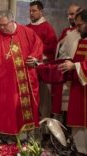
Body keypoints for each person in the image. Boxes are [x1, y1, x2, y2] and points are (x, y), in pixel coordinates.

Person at [58, 9, 87, 155]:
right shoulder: (82, 40)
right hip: (79, 88)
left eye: (80, 25)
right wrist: (71, 65)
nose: (78, 28)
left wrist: (74, 66)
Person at [26, 1, 57, 119]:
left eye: (34, 11)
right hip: (28, 70)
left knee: (43, 101)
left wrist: (36, 58)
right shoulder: (27, 28)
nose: (31, 13)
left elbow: (51, 49)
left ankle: (43, 131)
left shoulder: (47, 28)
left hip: (42, 69)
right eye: (30, 11)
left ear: (41, 11)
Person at [52, 4, 81, 123]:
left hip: (79, 74)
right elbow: (60, 52)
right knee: (65, 107)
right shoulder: (67, 31)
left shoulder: (82, 32)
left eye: (72, 14)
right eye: (68, 14)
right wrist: (62, 43)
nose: (70, 17)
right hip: (68, 74)